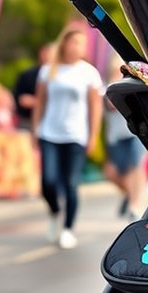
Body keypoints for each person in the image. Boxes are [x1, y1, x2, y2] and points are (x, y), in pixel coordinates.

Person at [34, 29, 102, 250]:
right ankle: (55, 211)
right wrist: (35, 129)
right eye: (74, 42)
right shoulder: (48, 70)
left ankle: (67, 229)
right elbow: (40, 102)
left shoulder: (88, 72)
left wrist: (93, 135)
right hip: (50, 133)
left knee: (71, 184)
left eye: (81, 44)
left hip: (75, 135)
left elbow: (95, 106)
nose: (77, 47)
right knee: (48, 181)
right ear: (64, 44)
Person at [103, 56, 146, 220]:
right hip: (115, 136)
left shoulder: (130, 85)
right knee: (113, 173)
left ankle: (134, 205)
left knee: (135, 166)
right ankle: (129, 194)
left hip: (133, 132)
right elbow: (109, 107)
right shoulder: (106, 88)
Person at [13, 44, 53, 132]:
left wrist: (37, 102)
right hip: (27, 120)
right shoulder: (27, 76)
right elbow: (20, 98)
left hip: (50, 122)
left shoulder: (60, 78)